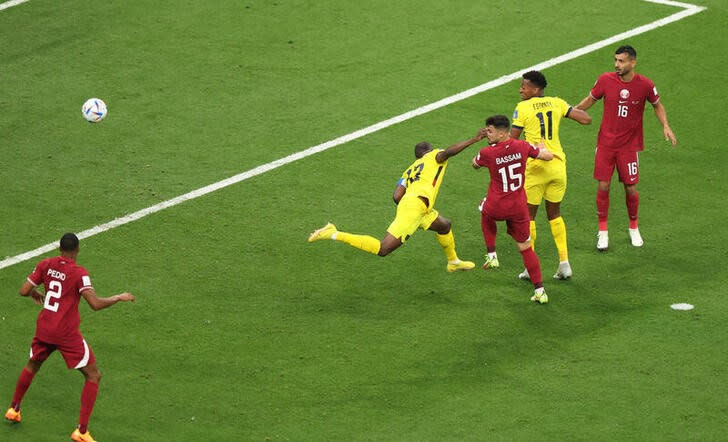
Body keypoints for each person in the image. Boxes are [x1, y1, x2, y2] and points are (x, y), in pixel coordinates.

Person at [4, 233, 135, 442]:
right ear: (78, 250)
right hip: (65, 334)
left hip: (45, 329)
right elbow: (95, 304)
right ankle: (81, 432)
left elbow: (24, 290)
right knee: (93, 375)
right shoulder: (79, 273)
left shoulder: (46, 264)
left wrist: (34, 293)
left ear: (59, 249)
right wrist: (118, 297)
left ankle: (14, 408)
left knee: (32, 365)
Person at [308, 128, 488, 271]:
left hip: (415, 205)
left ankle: (453, 261)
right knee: (383, 249)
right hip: (416, 206)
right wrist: (474, 139)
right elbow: (448, 152)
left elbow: (396, 196)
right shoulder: (433, 156)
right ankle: (332, 232)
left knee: (444, 225)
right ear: (429, 151)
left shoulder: (409, 170)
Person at [575, 45, 677, 250]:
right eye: (616, 60)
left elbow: (657, 104)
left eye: (621, 61)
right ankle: (603, 232)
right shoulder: (605, 80)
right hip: (605, 144)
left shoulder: (646, 85)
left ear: (632, 63)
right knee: (603, 186)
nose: (616, 64)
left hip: (629, 146)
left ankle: (633, 227)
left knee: (630, 188)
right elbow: (590, 100)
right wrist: (571, 111)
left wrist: (665, 125)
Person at [510, 70, 592, 280]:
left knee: (528, 217)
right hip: (558, 166)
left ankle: (530, 268)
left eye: (524, 86)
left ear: (535, 89)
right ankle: (564, 264)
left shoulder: (523, 107)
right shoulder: (557, 103)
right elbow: (586, 120)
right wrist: (565, 110)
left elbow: (512, 140)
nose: (520, 89)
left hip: (536, 167)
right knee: (554, 214)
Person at [472, 115, 554, 304]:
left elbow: (474, 164)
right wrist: (542, 147)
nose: (486, 134)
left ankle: (492, 255)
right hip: (518, 207)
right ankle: (540, 291)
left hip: (497, 205)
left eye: (490, 131)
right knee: (526, 247)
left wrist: (485, 149)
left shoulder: (487, 152)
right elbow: (547, 156)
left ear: (502, 133)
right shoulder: (523, 146)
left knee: (484, 211)